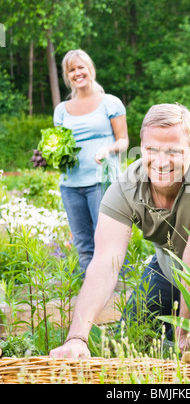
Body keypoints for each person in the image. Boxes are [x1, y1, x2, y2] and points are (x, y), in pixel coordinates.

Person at [50, 103, 190, 359]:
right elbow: (105, 262)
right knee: (127, 343)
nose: (161, 162)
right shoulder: (125, 189)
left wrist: (184, 332)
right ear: (141, 148)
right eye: (151, 150)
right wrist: (77, 338)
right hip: (168, 268)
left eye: (173, 151)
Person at [54, 49, 129, 273]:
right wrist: (48, 156)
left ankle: (117, 293)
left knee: (107, 239)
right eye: (72, 70)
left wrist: (108, 149)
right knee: (83, 244)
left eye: (81, 67)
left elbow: (124, 141)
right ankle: (89, 292)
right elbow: (60, 146)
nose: (77, 73)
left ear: (90, 70)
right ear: (67, 76)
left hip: (101, 181)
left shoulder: (110, 103)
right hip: (70, 185)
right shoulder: (61, 110)